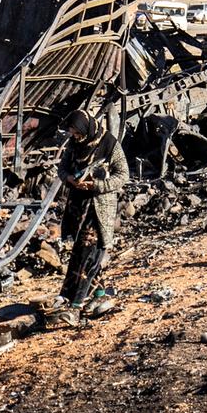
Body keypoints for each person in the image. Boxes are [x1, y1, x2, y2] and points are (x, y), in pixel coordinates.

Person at [52, 108, 129, 320]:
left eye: (77, 131)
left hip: (98, 209)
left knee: (87, 256)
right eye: (73, 132)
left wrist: (96, 185)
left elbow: (123, 175)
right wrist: (70, 179)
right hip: (77, 209)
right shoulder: (74, 145)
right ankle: (100, 294)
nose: (75, 136)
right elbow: (62, 169)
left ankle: (75, 304)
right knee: (83, 253)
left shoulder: (109, 144)